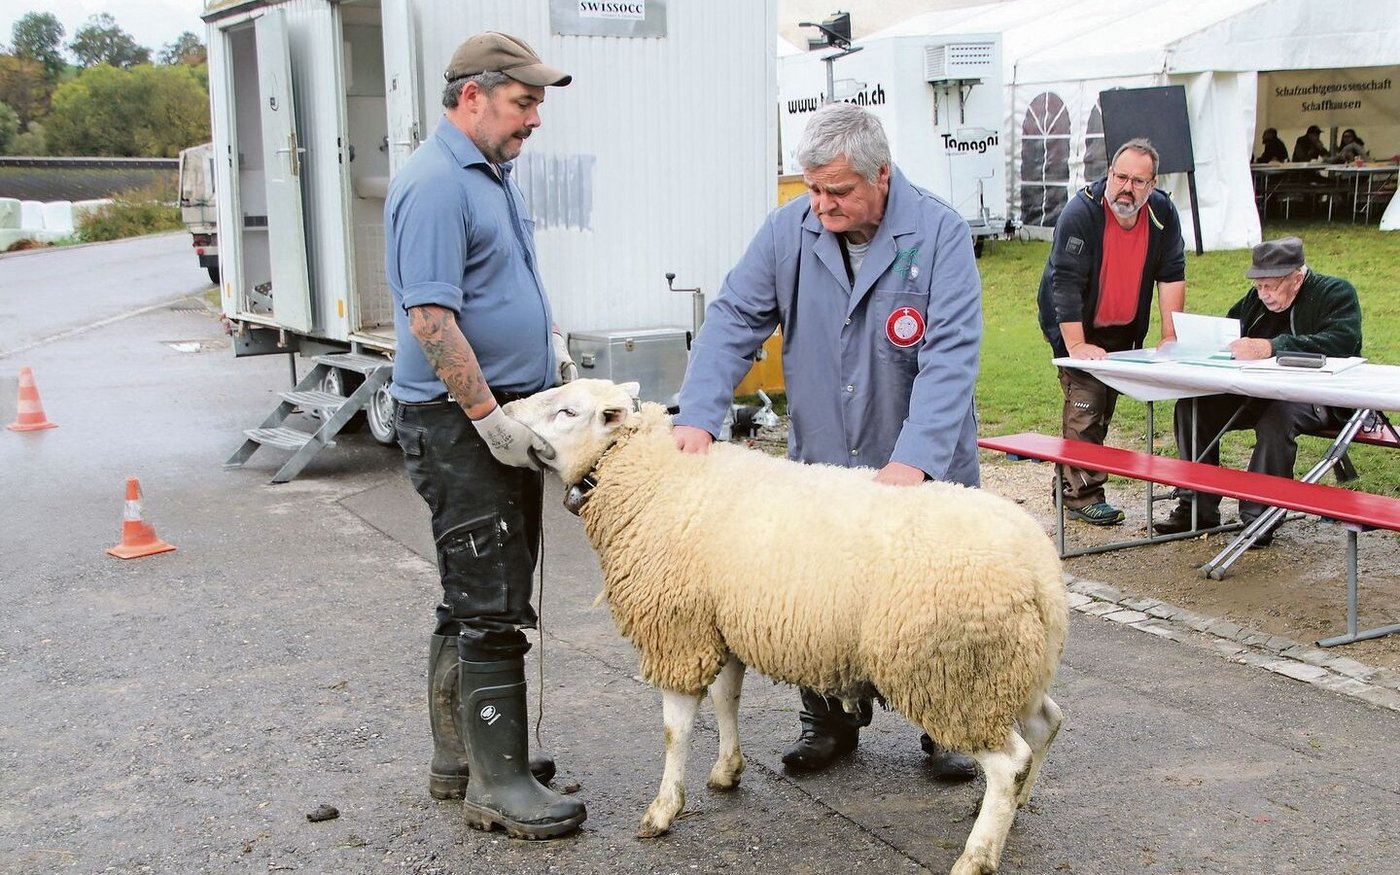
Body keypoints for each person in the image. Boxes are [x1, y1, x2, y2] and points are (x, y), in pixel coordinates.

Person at [672, 102, 983, 778]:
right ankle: (829, 718)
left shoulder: (940, 234)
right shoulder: (789, 231)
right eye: (812, 189)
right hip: (826, 459)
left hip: (919, 464)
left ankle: (952, 720)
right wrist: (698, 413)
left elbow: (952, 356)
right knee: (816, 596)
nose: (821, 204)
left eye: (837, 191)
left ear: (882, 174)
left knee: (932, 600)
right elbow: (732, 319)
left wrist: (915, 458)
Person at [383, 31, 586, 839]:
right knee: (492, 599)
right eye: (525, 101)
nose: (535, 119)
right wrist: (487, 418)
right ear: (473, 95)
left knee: (470, 589)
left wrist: (549, 344)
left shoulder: (490, 174)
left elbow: (498, 287)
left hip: (497, 408)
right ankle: (497, 785)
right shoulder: (437, 183)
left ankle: (465, 754)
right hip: (462, 423)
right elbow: (430, 318)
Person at [1153, 237, 1362, 545]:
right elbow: (1229, 329)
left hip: (1317, 395)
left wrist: (1271, 347)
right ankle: (1197, 506)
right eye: (1259, 286)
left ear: (1297, 278)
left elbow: (1342, 343)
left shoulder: (1335, 293)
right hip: (1257, 390)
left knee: (1277, 418)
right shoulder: (1256, 300)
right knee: (1192, 406)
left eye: (1271, 286)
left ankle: (1259, 517)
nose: (1263, 294)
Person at [1036, 138, 1187, 526]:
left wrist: (1170, 335)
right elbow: (1064, 283)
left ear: (1152, 186)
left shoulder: (1163, 214)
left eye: (1138, 181)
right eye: (1120, 177)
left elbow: (1171, 275)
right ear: (1109, 174)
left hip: (1124, 329)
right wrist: (1076, 344)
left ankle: (1069, 478)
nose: (1126, 188)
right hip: (1074, 322)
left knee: (1105, 406)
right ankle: (1082, 493)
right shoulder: (1081, 212)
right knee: (1086, 399)